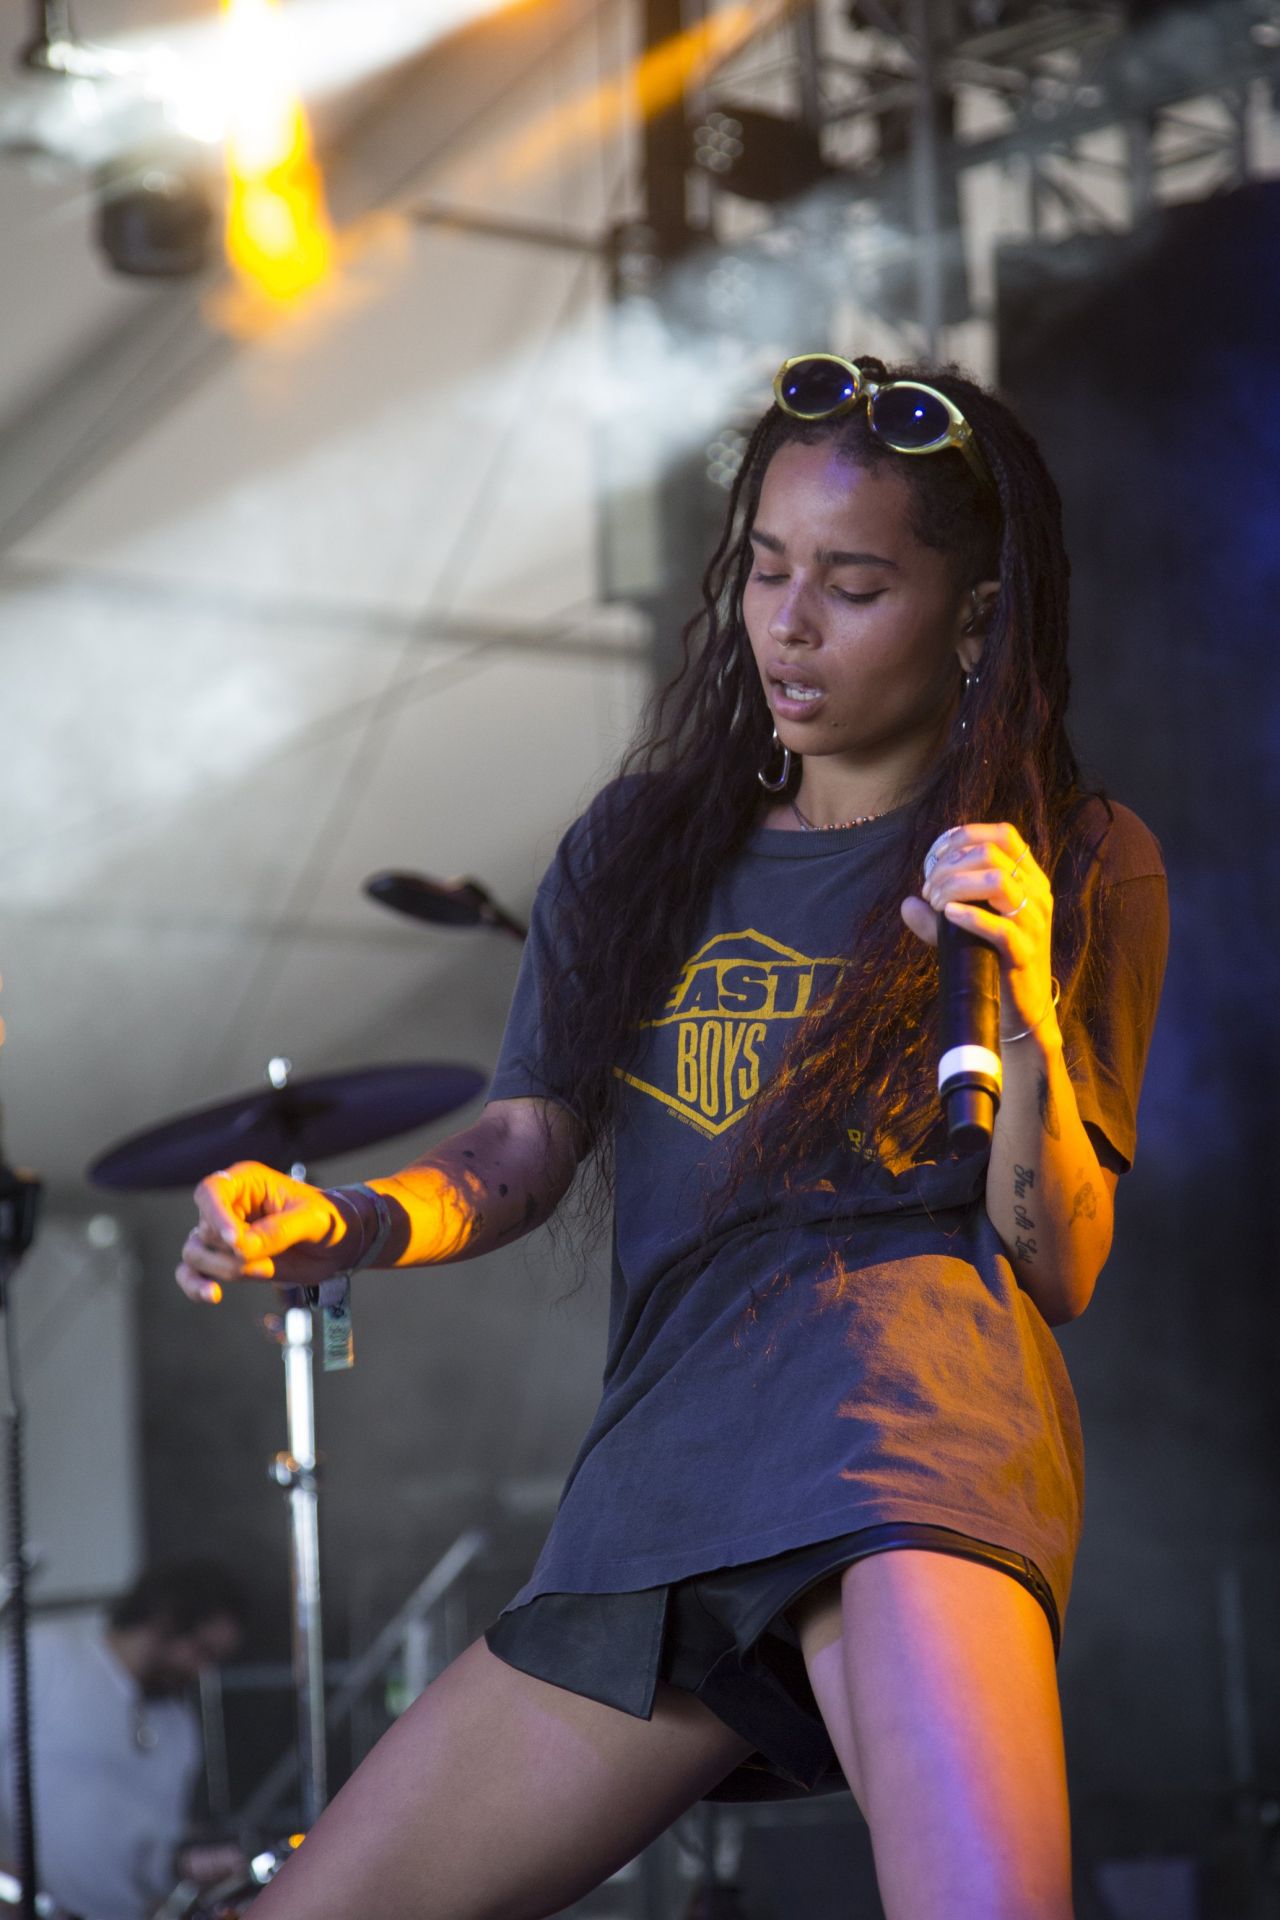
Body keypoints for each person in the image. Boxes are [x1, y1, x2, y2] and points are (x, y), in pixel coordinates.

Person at [176, 351, 1168, 1919]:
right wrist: (344, 1220)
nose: (789, 623)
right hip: (663, 1477)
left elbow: (1063, 1260)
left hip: (903, 1434)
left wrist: (1031, 998)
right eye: (767, 569)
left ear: (974, 617)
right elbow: (519, 1152)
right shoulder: (640, 850)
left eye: (853, 586)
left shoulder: (1075, 856)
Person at [0, 1559, 247, 1920]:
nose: (202, 1670)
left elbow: (153, 1850)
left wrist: (183, 1870)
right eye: (202, 1651)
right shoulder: (47, 1659)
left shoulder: (179, 1725)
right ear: (165, 1621)